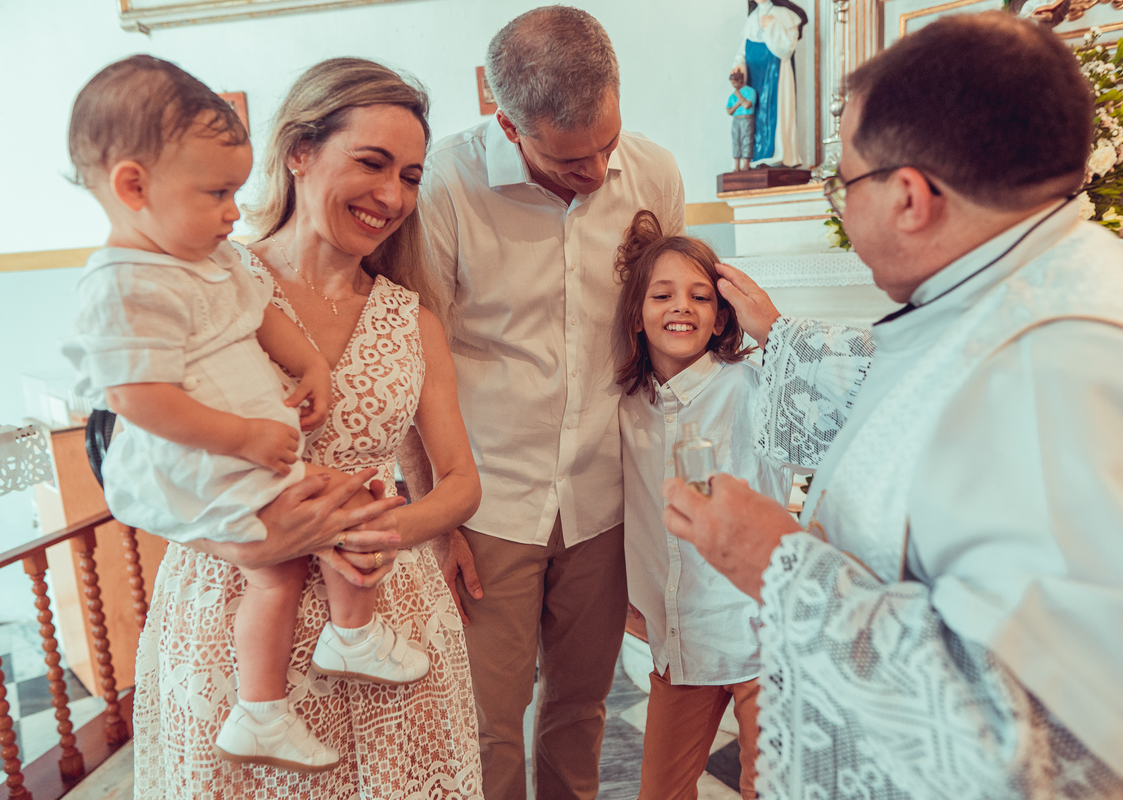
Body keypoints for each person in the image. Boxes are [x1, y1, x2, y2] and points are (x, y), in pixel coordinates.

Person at [665, 11, 1123, 798]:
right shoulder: (1023, 289)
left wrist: (781, 566)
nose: (845, 209)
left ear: (910, 197)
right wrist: (783, 340)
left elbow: (1048, 752)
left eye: (844, 183)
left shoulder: (1067, 370)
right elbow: (915, 404)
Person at [63, 55, 432, 774]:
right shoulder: (122, 284)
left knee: (341, 506)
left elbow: (259, 310)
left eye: (411, 175)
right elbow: (137, 406)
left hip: (263, 462)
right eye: (215, 192)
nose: (232, 210)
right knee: (289, 557)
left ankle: (340, 647)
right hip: (216, 477)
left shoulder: (215, 259)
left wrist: (312, 365)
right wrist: (243, 437)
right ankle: (263, 707)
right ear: (134, 187)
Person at [132, 57, 485, 799]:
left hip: (388, 611)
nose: (392, 196)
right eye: (372, 163)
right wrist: (247, 539)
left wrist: (378, 535)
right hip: (234, 610)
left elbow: (459, 484)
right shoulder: (209, 283)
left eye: (412, 176)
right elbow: (137, 471)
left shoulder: (411, 318)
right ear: (299, 151)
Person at [420, 7, 685, 798]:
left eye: (608, 143)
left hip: (604, 491)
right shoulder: (445, 186)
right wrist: (432, 515)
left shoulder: (655, 174)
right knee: (488, 717)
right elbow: (413, 359)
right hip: (488, 498)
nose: (600, 172)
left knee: (582, 703)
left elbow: (664, 334)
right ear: (506, 123)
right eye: (572, 159)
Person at [615, 210, 790, 800]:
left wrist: (777, 331)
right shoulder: (627, 405)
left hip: (759, 634)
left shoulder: (749, 388)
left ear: (720, 319)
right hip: (681, 637)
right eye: (661, 295)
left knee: (770, 787)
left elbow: (816, 413)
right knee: (660, 791)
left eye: (699, 296)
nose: (680, 307)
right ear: (637, 318)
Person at [731, 0, 807, 167]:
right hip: (754, 76)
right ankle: (754, 157)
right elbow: (743, 50)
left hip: (775, 74)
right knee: (755, 117)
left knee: (776, 113)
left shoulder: (785, 15)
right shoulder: (752, 18)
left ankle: (777, 155)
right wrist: (738, 66)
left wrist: (772, 26)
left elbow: (787, 49)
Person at [726, 71, 756, 172]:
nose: (733, 85)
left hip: (747, 118)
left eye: (734, 83)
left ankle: (746, 164)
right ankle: (737, 165)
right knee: (736, 141)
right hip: (736, 119)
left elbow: (747, 105)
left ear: (740, 80)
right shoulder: (732, 95)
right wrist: (739, 103)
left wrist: (740, 97)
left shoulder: (750, 91)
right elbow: (729, 110)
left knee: (746, 140)